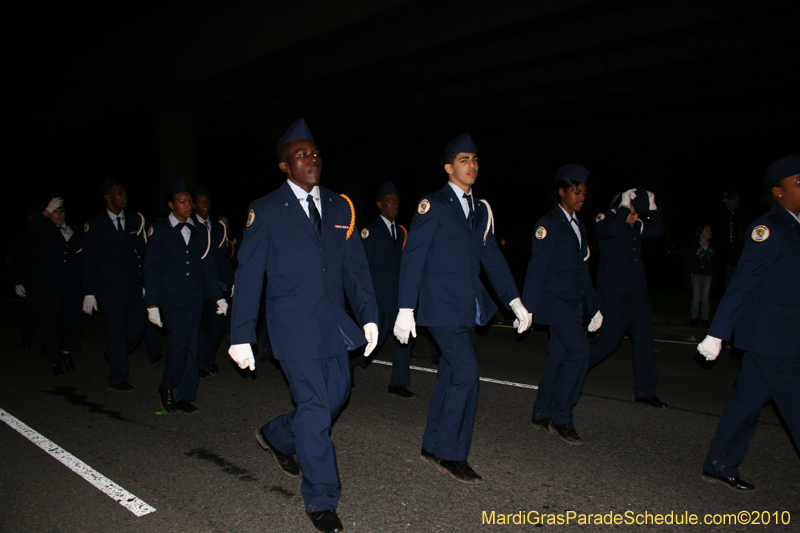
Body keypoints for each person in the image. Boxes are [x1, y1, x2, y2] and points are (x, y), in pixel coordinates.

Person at [228, 118, 378, 533]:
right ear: (284, 166)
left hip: (334, 325)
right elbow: (249, 274)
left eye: (314, 152)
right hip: (292, 327)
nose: (311, 158)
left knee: (337, 397)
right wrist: (240, 333)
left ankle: (276, 434)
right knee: (315, 410)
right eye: (301, 154)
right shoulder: (267, 210)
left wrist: (368, 316)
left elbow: (355, 269)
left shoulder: (339, 205)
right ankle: (322, 500)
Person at [394, 133, 531, 484]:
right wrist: (406, 308)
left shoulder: (481, 209)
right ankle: (452, 454)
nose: (472, 166)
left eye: (475, 160)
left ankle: (432, 443)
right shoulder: (433, 204)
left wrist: (515, 302)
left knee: (453, 376)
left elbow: (492, 259)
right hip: (440, 308)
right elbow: (413, 257)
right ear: (448, 167)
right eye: (464, 160)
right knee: (468, 373)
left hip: (467, 309)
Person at [698, 155, 800, 491]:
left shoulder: (795, 226)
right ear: (778, 192)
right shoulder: (769, 228)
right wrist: (717, 333)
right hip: (775, 337)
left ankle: (720, 462)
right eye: (798, 182)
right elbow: (743, 283)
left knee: (748, 400)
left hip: (773, 337)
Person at [521, 165, 603, 445]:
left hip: (572, 303)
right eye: (576, 191)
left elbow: (583, 272)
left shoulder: (578, 225)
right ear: (562, 191)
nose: (581, 196)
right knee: (580, 352)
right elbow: (537, 268)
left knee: (558, 356)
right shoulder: (549, 224)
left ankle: (541, 411)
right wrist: (527, 309)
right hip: (555, 303)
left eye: (584, 192)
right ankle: (562, 417)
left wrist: (595, 307)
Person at [144, 178, 226, 415]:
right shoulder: (159, 230)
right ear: (171, 204)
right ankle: (167, 386)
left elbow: (207, 265)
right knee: (179, 343)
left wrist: (218, 297)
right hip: (170, 299)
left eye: (190, 201)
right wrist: (152, 304)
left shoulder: (200, 231)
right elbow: (151, 268)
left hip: (194, 298)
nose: (189, 206)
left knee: (192, 346)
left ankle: (186, 395)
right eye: (183, 202)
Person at [587, 188, 668, 408]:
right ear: (620, 206)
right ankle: (573, 368)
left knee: (644, 342)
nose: (636, 217)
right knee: (608, 342)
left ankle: (645, 391)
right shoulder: (605, 219)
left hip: (638, 292)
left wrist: (652, 205)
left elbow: (659, 228)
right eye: (633, 212)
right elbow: (611, 232)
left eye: (637, 213)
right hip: (615, 292)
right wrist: (624, 208)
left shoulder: (634, 225)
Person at [82, 177, 162, 392]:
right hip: (109, 288)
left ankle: (113, 353)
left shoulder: (136, 220)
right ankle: (117, 377)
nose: (124, 196)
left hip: (133, 285)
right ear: (108, 197)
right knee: (116, 330)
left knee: (137, 327)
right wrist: (89, 292)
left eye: (124, 192)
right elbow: (88, 261)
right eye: (118, 192)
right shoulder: (96, 224)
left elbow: (143, 253)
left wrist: (147, 282)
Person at [352, 180, 415, 398]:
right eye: (390, 201)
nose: (395, 205)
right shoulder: (370, 231)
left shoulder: (401, 231)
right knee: (372, 342)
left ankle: (399, 382)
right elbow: (361, 267)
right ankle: (347, 365)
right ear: (380, 205)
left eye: (397, 202)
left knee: (403, 340)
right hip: (378, 299)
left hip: (398, 299)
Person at [28, 197, 83, 375]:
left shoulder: (74, 230)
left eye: (61, 211)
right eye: (55, 211)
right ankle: (55, 360)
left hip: (71, 284)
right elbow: (30, 230)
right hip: (49, 284)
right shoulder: (43, 229)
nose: (58, 215)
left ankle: (65, 351)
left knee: (74, 320)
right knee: (50, 322)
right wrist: (45, 211)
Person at [192, 184, 234, 378]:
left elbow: (224, 258)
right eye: (200, 201)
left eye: (207, 200)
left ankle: (209, 357)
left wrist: (230, 282)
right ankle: (200, 362)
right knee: (198, 326)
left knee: (217, 324)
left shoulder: (218, 227)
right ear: (193, 204)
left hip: (216, 285)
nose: (205, 204)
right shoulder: (189, 225)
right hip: (195, 285)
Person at [12, 203, 44, 356]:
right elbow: (17, 260)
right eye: (30, 217)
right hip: (29, 282)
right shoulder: (23, 236)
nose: (32, 219)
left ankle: (46, 346)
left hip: (46, 282)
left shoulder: (46, 233)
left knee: (48, 316)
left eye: (35, 217)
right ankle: (27, 339)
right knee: (31, 315)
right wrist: (18, 281)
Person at [685, 225, 719, 327]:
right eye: (707, 230)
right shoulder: (695, 246)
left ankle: (705, 319)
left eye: (710, 230)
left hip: (708, 276)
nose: (710, 232)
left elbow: (716, 264)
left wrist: (715, 279)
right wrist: (687, 279)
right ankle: (694, 318)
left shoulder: (712, 247)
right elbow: (689, 263)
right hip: (696, 275)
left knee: (705, 298)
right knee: (696, 298)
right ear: (701, 233)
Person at [715, 188, 746, 288]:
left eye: (730, 201)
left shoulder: (746, 215)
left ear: (737, 198)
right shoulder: (723, 216)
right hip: (729, 260)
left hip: (744, 259)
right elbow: (720, 236)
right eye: (726, 202)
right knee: (729, 286)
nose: (728, 205)